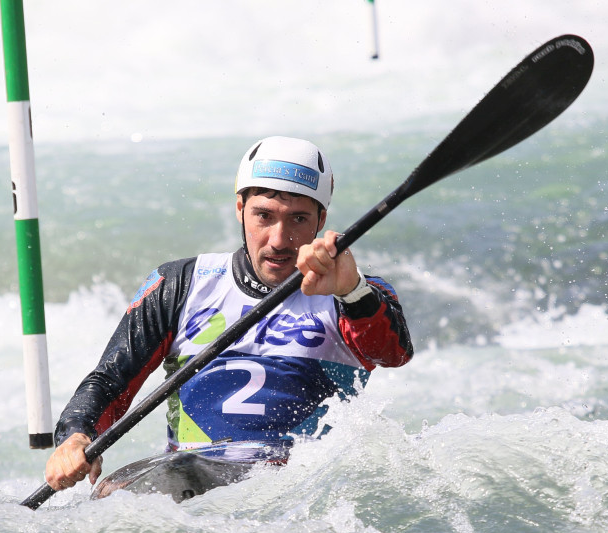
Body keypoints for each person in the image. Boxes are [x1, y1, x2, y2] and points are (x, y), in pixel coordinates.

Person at [45, 136, 414, 493]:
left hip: (302, 485)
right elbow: (110, 381)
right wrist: (76, 435)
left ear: (321, 220)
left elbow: (393, 354)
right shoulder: (181, 284)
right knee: (113, 491)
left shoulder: (353, 292)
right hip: (193, 480)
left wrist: (352, 292)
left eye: (299, 219)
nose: (279, 239)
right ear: (240, 208)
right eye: (264, 216)